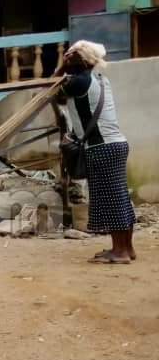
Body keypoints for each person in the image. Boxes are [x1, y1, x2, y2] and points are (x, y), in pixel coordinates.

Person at [57, 40, 136, 264]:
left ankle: (119, 252)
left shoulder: (79, 82)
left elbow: (54, 90)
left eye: (70, 59)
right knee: (120, 198)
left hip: (101, 148)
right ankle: (126, 248)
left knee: (111, 201)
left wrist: (59, 70)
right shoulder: (99, 79)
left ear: (78, 62)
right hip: (117, 144)